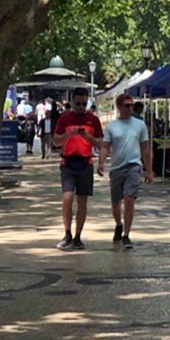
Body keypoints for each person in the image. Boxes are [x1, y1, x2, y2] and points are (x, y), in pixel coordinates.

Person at [98, 93, 153, 249]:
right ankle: (118, 224)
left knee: (129, 199)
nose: (130, 109)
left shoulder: (140, 125)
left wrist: (148, 170)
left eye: (132, 106)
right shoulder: (111, 126)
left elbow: (145, 148)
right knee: (116, 204)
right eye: (126, 106)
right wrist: (101, 163)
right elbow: (105, 147)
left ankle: (127, 235)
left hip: (133, 166)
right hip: (116, 168)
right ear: (119, 107)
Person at [52, 88, 103, 250]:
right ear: (73, 101)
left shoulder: (93, 120)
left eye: (84, 103)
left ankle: (78, 235)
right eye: (78, 103)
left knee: (82, 201)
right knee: (67, 198)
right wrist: (70, 134)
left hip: (85, 164)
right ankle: (67, 233)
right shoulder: (64, 118)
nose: (81, 106)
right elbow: (55, 141)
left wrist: (88, 137)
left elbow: (101, 143)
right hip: (67, 164)